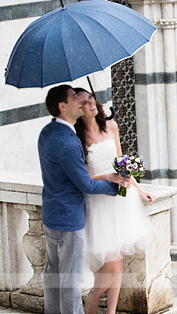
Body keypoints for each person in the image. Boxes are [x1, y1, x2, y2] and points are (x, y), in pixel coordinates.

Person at [38, 84, 130, 314]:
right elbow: (85, 184)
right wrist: (114, 185)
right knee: (70, 282)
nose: (80, 101)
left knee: (53, 274)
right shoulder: (69, 141)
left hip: (51, 214)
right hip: (69, 220)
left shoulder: (47, 132)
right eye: (73, 98)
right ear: (62, 106)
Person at [73, 88, 155, 314]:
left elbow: (121, 162)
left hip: (121, 200)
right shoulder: (77, 138)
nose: (90, 103)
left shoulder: (111, 126)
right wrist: (108, 177)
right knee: (110, 261)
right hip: (98, 201)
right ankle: (93, 298)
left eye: (90, 99)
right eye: (82, 102)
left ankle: (110, 311)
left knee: (117, 261)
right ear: (76, 109)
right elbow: (82, 176)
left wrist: (139, 190)